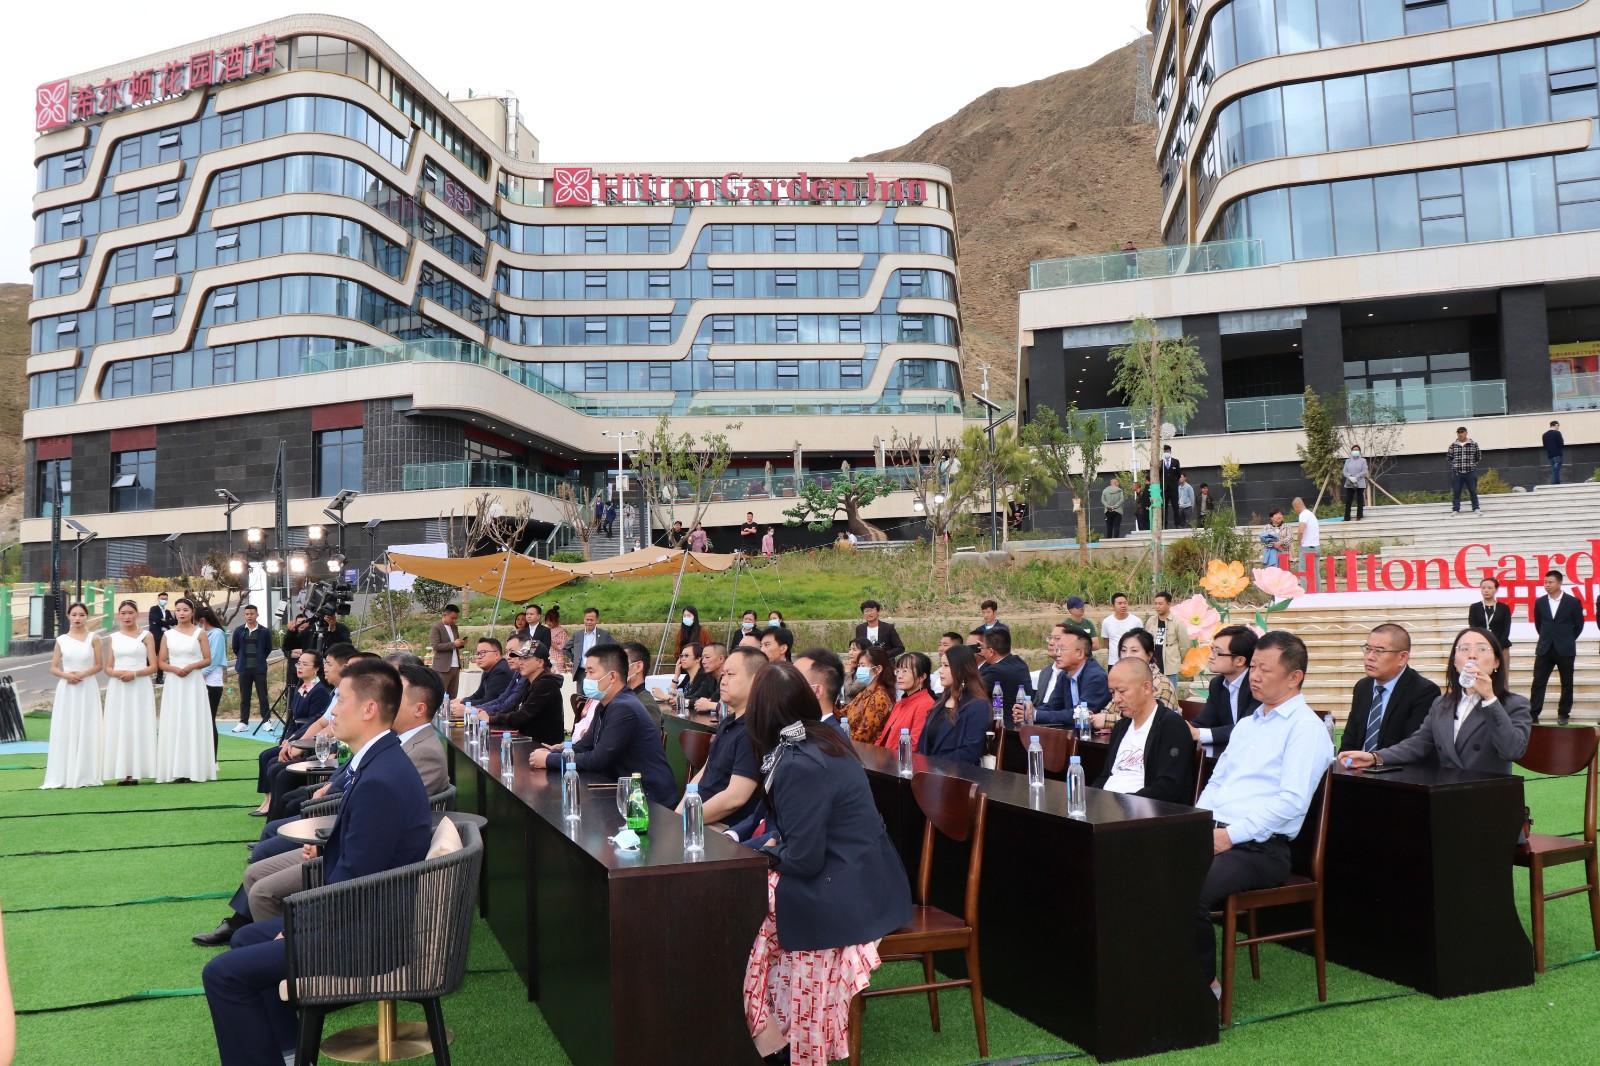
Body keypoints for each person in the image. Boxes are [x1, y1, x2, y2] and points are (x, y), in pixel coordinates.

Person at [202, 659, 432, 1066]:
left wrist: (298, 928)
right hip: (369, 916)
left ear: (369, 709)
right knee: (245, 939)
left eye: (340, 700)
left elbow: (356, 881)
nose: (333, 711)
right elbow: (363, 862)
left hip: (373, 935)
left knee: (221, 974)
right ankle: (292, 1052)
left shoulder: (380, 778)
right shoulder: (380, 762)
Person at [740, 662, 912, 1066]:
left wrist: (765, 853)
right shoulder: (822, 739)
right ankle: (774, 1031)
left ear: (759, 713)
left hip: (845, 890)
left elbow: (804, 859)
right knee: (749, 904)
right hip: (865, 877)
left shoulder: (798, 761)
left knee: (742, 909)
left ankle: (775, 1041)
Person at [1193, 631, 1333, 997]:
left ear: (1294, 677)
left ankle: (1204, 990)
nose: (1254, 676)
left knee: (1189, 890)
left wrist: (1229, 835)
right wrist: (1198, 824)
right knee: (1147, 874)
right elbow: (1216, 781)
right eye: (1253, 667)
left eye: (1264, 669)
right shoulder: (1247, 724)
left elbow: (1291, 803)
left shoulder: (1306, 729)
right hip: (1215, 833)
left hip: (1261, 848)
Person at [1341, 628, 1531, 774]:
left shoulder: (1514, 704)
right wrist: (1375, 757)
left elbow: (1512, 750)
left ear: (1496, 662)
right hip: (1446, 794)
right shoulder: (1442, 704)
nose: (1472, 655)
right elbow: (1418, 744)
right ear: (1455, 662)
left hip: (1490, 798)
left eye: (1482, 649)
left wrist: (1489, 699)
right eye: (1464, 649)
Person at [532, 644, 676, 805]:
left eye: (591, 672)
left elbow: (597, 759)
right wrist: (556, 752)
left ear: (612, 676)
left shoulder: (624, 708)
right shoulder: (605, 704)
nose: (586, 678)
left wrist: (549, 760)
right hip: (620, 789)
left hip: (647, 797)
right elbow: (585, 745)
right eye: (586, 672)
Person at [680, 645, 765, 827]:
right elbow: (705, 771)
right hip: (696, 818)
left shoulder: (753, 730)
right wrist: (679, 814)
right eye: (723, 675)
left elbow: (735, 798)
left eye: (731, 675)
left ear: (756, 680)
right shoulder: (728, 722)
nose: (723, 681)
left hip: (722, 827)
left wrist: (687, 821)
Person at [1093, 659, 1196, 804]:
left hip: (1144, 809)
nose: (1116, 699)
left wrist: (1124, 803)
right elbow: (1106, 776)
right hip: (1108, 804)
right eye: (1112, 692)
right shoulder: (1121, 727)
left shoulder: (1171, 726)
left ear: (1146, 688)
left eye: (1122, 691)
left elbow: (1168, 787)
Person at [249, 650, 330, 815]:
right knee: (265, 756)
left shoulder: (320, 691)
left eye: (305, 664)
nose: (299, 667)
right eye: (298, 663)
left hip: (305, 740)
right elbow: (293, 720)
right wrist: (286, 738)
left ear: (316, 668)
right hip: (295, 736)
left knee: (269, 758)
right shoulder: (300, 688)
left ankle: (272, 801)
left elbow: (313, 722)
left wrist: (293, 740)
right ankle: (267, 798)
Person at [1339, 624, 1440, 753]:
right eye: (1368, 649)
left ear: (1402, 658)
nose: (1370, 657)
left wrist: (1373, 759)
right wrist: (1345, 760)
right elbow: (1349, 740)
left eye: (1379, 651)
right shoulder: (1362, 687)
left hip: (1394, 764)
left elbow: (1413, 748)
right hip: (1357, 764)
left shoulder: (1424, 692)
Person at [41, 602, 104, 790]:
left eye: (81, 615)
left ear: (87, 616)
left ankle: (86, 773)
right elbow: (53, 667)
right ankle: (64, 772)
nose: (77, 618)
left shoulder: (94, 638)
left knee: (87, 725)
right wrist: (67, 675)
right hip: (67, 688)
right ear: (68, 616)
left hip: (87, 686)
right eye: (74, 614)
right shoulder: (61, 640)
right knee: (66, 726)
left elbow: (99, 665)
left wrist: (82, 674)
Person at [156, 597, 216, 784]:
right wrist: (175, 669)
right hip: (175, 682)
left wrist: (191, 667)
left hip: (193, 682)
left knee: (193, 720)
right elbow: (161, 661)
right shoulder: (168, 635)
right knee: (175, 721)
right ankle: (175, 769)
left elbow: (207, 659)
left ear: (192, 612)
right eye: (178, 610)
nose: (181, 613)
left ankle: (194, 768)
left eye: (185, 610)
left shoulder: (200, 633)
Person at [101, 599, 158, 786]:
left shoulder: (147, 636)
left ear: (137, 614)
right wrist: (118, 674)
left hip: (140, 685)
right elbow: (108, 667)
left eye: (130, 613)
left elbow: (153, 666)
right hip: (118, 686)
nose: (127, 616)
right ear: (118, 615)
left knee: (138, 725)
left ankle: (136, 771)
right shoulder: (114, 637)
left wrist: (134, 674)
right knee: (120, 726)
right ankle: (122, 771)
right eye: (123, 613)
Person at [1190, 625, 1260, 753]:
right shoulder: (1217, 684)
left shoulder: (1257, 685)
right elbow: (1203, 723)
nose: (1211, 656)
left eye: (1217, 652)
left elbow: (1249, 728)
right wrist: (1183, 728)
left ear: (1240, 660)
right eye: (1212, 649)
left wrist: (1199, 734)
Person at [483, 642, 564, 744]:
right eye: (520, 658)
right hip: (528, 740)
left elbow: (522, 717)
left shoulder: (545, 684)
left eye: (525, 658)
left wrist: (491, 718)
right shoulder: (529, 682)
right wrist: (488, 714)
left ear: (540, 662)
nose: (520, 662)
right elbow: (512, 708)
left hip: (542, 747)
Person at [920, 645, 989, 764]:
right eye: (941, 665)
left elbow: (970, 751)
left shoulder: (978, 706)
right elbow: (924, 742)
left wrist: (934, 764)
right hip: (928, 768)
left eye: (946, 666)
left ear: (962, 669)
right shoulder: (941, 700)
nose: (940, 670)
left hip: (955, 771)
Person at [1532, 569, 1584, 724]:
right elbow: (1539, 624)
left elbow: (1579, 625)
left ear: (1559, 583)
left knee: (1567, 682)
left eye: (1550, 582)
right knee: (1538, 682)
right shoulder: (1540, 602)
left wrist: (1567, 639)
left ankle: (1563, 714)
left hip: (1565, 648)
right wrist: (1547, 637)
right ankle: (1533, 713)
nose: (1547, 585)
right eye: (1545, 582)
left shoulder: (1572, 602)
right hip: (1545, 648)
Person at [1025, 629, 1111, 724]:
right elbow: (1053, 706)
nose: (1057, 654)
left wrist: (1036, 715)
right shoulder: (1064, 674)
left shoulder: (1096, 677)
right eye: (1057, 649)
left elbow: (1082, 714)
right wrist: (1028, 712)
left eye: (1062, 649)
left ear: (1080, 653)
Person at [1096, 629, 1176, 727]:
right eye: (1123, 650)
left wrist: (1107, 721)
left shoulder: (1162, 684)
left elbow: (1154, 720)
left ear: (1149, 655)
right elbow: (1108, 711)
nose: (1127, 656)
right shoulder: (1122, 680)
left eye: (1134, 651)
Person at [878, 652, 936, 749]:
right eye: (898, 671)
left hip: (901, 757)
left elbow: (914, 746)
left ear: (922, 677)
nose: (899, 676)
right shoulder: (900, 703)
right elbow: (883, 737)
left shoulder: (925, 705)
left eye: (905, 671)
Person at [229, 604, 273, 734]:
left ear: (257, 615)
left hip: (259, 669)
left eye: (252, 614)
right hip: (244, 668)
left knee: (263, 696)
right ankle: (243, 722)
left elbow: (268, 648)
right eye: (247, 614)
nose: (249, 616)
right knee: (245, 697)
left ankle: (266, 721)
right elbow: (235, 648)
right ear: (244, 615)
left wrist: (259, 658)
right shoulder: (238, 631)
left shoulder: (264, 631)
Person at [844, 645, 896, 743]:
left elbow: (863, 736)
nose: (859, 669)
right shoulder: (865, 693)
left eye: (863, 666)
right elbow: (844, 713)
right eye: (859, 666)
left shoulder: (879, 698)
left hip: (866, 750)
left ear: (878, 669)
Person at [794, 648, 849, 734]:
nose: (788, 686)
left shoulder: (827, 738)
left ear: (817, 691)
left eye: (794, 680)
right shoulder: (803, 731)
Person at [976, 627, 1033, 711]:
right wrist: (985, 649)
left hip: (1004, 717)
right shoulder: (1019, 662)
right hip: (1022, 715)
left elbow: (971, 689)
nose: (981, 651)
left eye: (982, 648)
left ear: (991, 651)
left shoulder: (996, 672)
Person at [199, 606, 229, 756]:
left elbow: (215, 658)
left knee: (209, 719)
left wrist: (201, 674)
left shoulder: (216, 633)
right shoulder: (204, 633)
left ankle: (212, 758)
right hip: (203, 680)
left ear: (202, 620)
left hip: (212, 682)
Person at [1144, 591, 1190, 686]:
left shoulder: (1177, 622)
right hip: (1153, 666)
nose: (1157, 606)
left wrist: (1178, 661)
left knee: (1170, 691)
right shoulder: (1151, 621)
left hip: (1170, 666)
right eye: (1156, 604)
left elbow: (1184, 645)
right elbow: (1146, 642)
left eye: (1160, 604)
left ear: (1169, 604)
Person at [428, 604, 466, 698]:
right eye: (452, 618)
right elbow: (436, 646)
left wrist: (461, 643)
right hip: (442, 667)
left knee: (453, 695)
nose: (454, 620)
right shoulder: (436, 627)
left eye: (456, 618)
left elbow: (454, 644)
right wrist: (454, 644)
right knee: (441, 694)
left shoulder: (454, 627)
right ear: (445, 615)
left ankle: (451, 708)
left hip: (455, 666)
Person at [566, 606, 611, 682]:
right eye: (587, 619)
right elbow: (566, 648)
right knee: (581, 690)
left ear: (597, 620)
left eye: (591, 620)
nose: (589, 622)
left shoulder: (604, 635)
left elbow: (616, 649)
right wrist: (574, 659)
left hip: (598, 672)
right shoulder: (577, 635)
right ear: (584, 619)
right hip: (581, 672)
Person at [1468, 577, 1512, 654]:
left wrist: (1498, 646)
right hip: (1481, 647)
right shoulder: (1474, 607)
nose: (1486, 590)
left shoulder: (1504, 607)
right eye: (1483, 588)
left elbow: (1506, 629)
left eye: (1490, 588)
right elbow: (1473, 628)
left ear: (1496, 589)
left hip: (1501, 646)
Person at [467, 637, 514, 705]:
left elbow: (488, 702)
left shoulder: (500, 671)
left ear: (496, 655)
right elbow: (478, 695)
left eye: (483, 652)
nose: (479, 657)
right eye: (478, 653)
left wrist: (464, 704)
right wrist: (462, 701)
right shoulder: (488, 670)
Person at [1448, 426, 1482, 514]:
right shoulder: (1453, 445)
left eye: (1462, 432)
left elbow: (1478, 457)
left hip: (1470, 472)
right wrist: (1455, 466)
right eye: (1458, 432)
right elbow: (1449, 458)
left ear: (1466, 433)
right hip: (1457, 473)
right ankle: (1455, 509)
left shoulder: (1473, 444)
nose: (1460, 434)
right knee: (1456, 491)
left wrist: (1473, 465)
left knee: (1473, 491)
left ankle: (1476, 508)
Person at [1101, 593, 1141, 665]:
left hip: (1133, 661)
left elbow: (1141, 641)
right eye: (1119, 603)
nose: (1123, 606)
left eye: (1125, 603)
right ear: (1113, 606)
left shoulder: (1136, 621)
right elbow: (1106, 642)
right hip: (1114, 662)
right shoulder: (1106, 622)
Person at [148, 592, 175, 685]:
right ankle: (145, 673)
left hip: (165, 636)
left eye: (165, 599)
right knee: (151, 656)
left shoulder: (167, 611)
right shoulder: (154, 609)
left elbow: (173, 622)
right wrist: (166, 621)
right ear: (158, 599)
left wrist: (164, 621)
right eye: (162, 599)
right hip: (155, 636)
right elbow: (156, 620)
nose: (164, 600)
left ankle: (159, 678)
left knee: (162, 657)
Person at [693, 643, 728, 713]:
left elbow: (713, 700)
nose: (703, 661)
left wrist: (708, 704)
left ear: (721, 659)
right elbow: (698, 696)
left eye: (707, 657)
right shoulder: (710, 676)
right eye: (702, 658)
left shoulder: (729, 679)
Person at [1293, 497, 1320, 577]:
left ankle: (1304, 586)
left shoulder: (1303, 514)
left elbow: (1301, 530)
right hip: (1316, 546)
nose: (1295, 510)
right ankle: (1317, 586)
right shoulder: (1311, 514)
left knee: (1304, 572)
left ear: (1296, 506)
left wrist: (1299, 542)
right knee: (1315, 573)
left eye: (1294, 508)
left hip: (1307, 547)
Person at [1343, 447, 1369, 522]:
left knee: (1359, 499)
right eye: (1354, 450)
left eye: (1357, 450)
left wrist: (1356, 477)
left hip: (1360, 482)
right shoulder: (1348, 460)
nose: (1355, 451)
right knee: (1348, 500)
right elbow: (1344, 471)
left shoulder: (1363, 460)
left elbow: (1364, 471)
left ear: (1359, 451)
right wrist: (1350, 476)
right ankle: (1347, 517)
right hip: (1350, 482)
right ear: (1351, 451)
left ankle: (1359, 515)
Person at [1161, 444, 1182, 527]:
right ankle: (1164, 525)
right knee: (1164, 507)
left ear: (1170, 452)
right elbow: (1159, 475)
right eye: (1165, 451)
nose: (1167, 453)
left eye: (1168, 451)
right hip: (1164, 488)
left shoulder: (1175, 462)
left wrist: (1174, 482)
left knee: (1175, 506)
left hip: (1173, 488)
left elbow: (1178, 474)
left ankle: (1177, 524)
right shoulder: (1161, 463)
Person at [546, 605, 570, 674]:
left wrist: (550, 641)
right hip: (549, 658)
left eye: (551, 621)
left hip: (558, 659)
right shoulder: (547, 630)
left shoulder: (561, 632)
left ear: (557, 620)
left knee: (557, 676)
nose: (548, 623)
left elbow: (561, 647)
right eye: (547, 621)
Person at [1544, 420, 1565, 484]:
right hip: (1557, 454)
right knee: (1556, 470)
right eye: (1558, 425)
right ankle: (1556, 483)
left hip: (1550, 455)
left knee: (1554, 469)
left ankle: (1554, 483)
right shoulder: (1557, 433)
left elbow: (1545, 446)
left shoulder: (1545, 435)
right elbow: (1561, 444)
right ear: (1556, 425)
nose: (1558, 427)